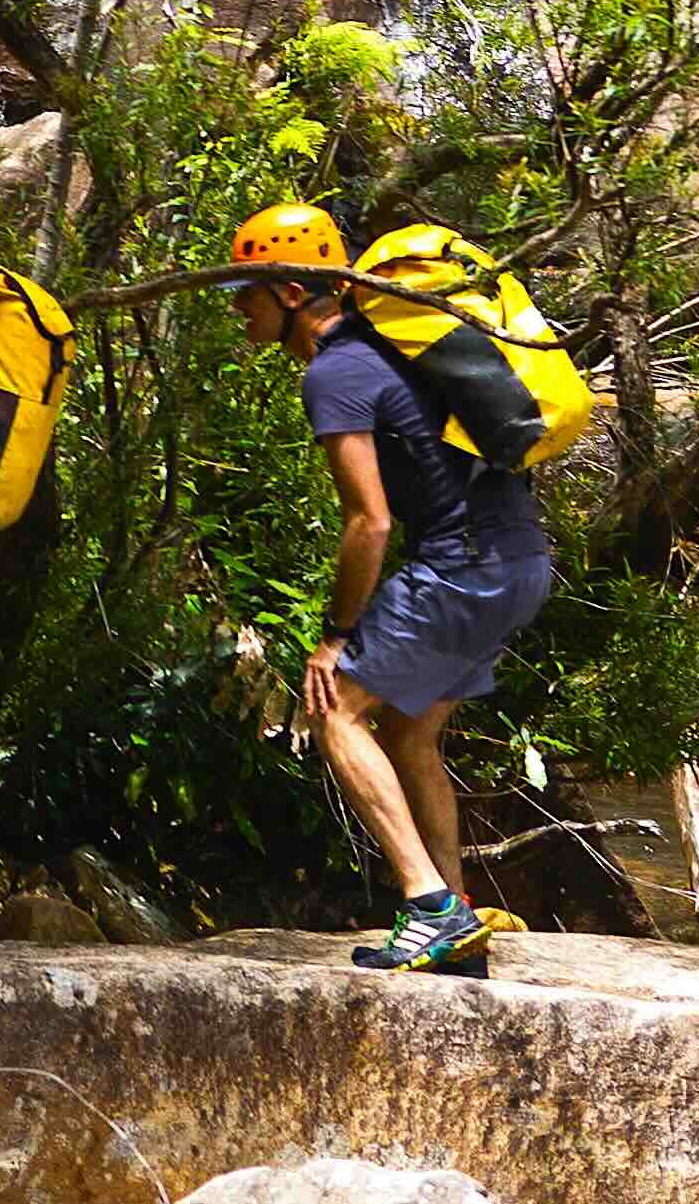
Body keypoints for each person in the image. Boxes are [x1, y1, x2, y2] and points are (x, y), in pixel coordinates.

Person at [228, 197, 544, 977]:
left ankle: (428, 904)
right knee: (408, 732)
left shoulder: (335, 371)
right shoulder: (393, 347)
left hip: (462, 564)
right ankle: (459, 916)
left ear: (292, 293)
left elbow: (367, 523)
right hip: (521, 558)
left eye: (249, 293)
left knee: (335, 710)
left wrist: (335, 636)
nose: (240, 310)